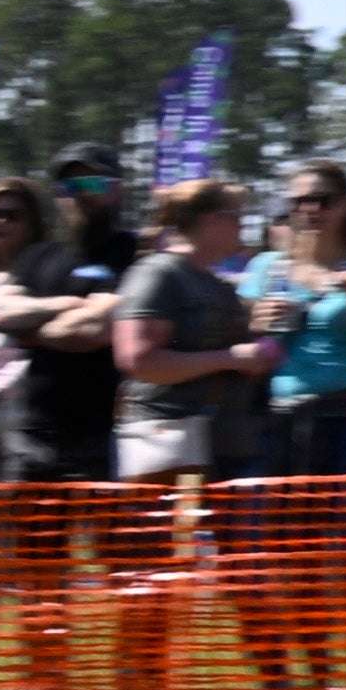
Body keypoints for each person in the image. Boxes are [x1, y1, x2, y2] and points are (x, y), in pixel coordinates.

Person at [102, 174, 270, 483]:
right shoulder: (157, 274)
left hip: (222, 447)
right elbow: (138, 360)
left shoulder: (215, 282)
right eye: (237, 218)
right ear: (212, 220)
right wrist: (229, 358)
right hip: (172, 447)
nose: (243, 227)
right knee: (176, 532)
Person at [249, 168, 346, 478]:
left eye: (323, 200)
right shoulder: (266, 269)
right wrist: (256, 324)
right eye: (299, 202)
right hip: (280, 418)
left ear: (345, 206)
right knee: (286, 525)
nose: (311, 210)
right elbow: (243, 345)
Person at [0, 174, 117, 488]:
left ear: (33, 221)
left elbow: (95, 323)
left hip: (26, 419)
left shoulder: (46, 267)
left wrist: (33, 322)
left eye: (12, 215)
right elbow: (0, 316)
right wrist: (72, 303)